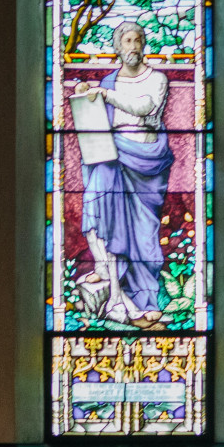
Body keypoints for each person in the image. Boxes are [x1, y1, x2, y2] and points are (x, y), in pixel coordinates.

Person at [70, 21, 173, 327]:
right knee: (98, 208)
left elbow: (145, 107)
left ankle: (146, 299)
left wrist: (105, 94)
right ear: (117, 47)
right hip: (111, 156)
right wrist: (85, 93)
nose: (132, 45)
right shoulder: (109, 80)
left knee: (144, 235)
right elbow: (92, 111)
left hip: (146, 162)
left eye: (137, 39)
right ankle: (111, 281)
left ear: (144, 45)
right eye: (126, 40)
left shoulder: (157, 79)